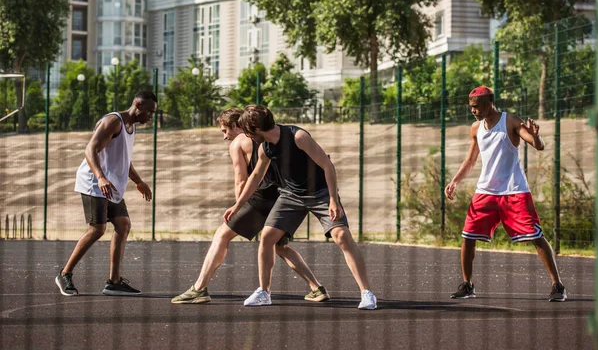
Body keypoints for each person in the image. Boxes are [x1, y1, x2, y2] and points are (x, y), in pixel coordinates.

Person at [223, 105, 377, 310]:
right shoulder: (265, 147)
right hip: (291, 195)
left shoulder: (298, 137)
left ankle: (367, 293)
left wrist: (333, 199)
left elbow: (327, 165)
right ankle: (264, 292)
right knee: (268, 237)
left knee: (341, 236)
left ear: (255, 130)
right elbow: (255, 177)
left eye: (247, 131)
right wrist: (238, 205)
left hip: (320, 193)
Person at [172, 108, 329, 304]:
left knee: (222, 234)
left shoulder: (239, 143)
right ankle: (316, 287)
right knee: (281, 247)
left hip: (260, 199)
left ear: (236, 126)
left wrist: (239, 208)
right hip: (285, 197)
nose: (225, 137)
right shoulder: (270, 136)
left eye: (225, 131)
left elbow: (241, 179)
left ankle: (199, 289)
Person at [445, 86, 566, 302]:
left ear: (488, 103)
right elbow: (471, 160)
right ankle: (468, 285)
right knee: (468, 237)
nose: (472, 110)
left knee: (536, 237)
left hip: (514, 191)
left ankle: (558, 286)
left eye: (475, 106)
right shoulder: (475, 128)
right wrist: (455, 181)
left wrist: (537, 137)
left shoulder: (510, 121)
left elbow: (538, 146)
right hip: (485, 192)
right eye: (471, 107)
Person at [55, 90, 157, 296]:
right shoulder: (113, 122)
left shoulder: (131, 127)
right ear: (137, 105)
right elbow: (90, 149)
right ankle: (64, 274)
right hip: (94, 182)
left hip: (111, 185)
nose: (151, 116)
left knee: (123, 224)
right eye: (150, 112)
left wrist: (139, 181)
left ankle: (114, 281)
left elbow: (123, 159)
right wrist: (100, 177)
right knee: (98, 229)